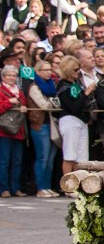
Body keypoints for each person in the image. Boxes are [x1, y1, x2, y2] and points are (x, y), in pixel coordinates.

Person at [55, 56, 94, 178]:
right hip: (70, 120)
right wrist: (86, 93)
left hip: (82, 121)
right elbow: (74, 106)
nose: (78, 72)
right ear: (68, 70)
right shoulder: (63, 86)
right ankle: (68, 184)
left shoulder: (76, 84)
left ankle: (80, 183)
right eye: (75, 70)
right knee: (69, 154)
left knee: (81, 156)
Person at [27, 59, 59, 197]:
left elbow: (55, 104)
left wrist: (53, 104)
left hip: (51, 124)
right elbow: (45, 105)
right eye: (45, 70)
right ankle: (40, 187)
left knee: (51, 158)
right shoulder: (34, 87)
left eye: (49, 69)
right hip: (40, 125)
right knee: (43, 158)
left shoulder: (51, 85)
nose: (48, 72)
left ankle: (47, 186)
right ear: (38, 71)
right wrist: (53, 104)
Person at [0, 65, 28, 198]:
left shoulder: (19, 91)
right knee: (4, 161)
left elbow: (24, 103)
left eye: (13, 75)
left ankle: (15, 187)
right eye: (8, 75)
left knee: (17, 161)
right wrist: (8, 102)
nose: (11, 78)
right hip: (4, 130)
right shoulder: (1, 90)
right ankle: (3, 188)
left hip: (18, 129)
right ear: (3, 77)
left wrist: (23, 106)